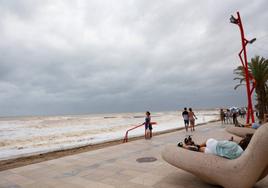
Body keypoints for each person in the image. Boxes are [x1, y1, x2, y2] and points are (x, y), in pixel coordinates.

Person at [178, 134, 253, 159]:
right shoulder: (242, 153)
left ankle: (194, 145)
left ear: (242, 141)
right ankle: (187, 146)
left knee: (209, 140)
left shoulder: (234, 145)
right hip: (216, 154)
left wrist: (228, 142)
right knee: (201, 149)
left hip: (215, 147)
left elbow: (219, 143)